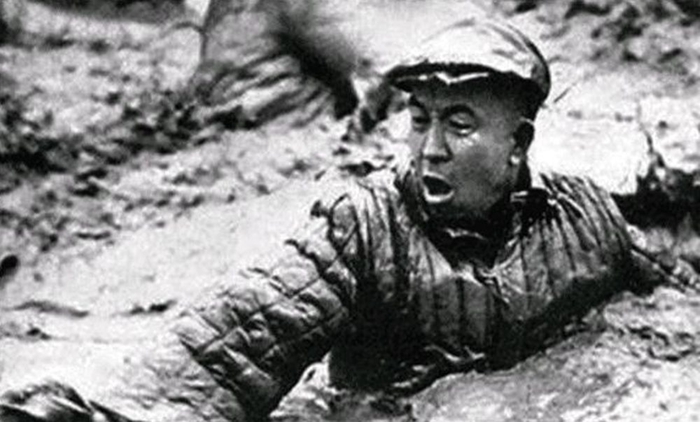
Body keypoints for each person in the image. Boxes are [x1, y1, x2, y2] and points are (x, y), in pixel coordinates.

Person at [0, 18, 697, 422]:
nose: (429, 148)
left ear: (518, 143)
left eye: (459, 124)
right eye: (418, 119)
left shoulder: (584, 218)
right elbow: (239, 338)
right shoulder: (363, 226)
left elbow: (668, 296)